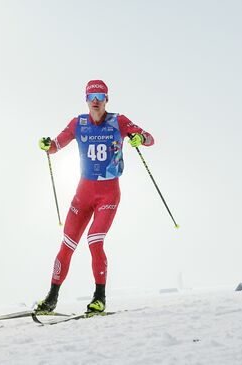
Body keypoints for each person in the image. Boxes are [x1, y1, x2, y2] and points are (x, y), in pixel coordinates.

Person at [36, 80, 154, 314]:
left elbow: (149, 138)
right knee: (67, 244)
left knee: (94, 240)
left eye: (100, 95)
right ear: (86, 100)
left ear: (107, 98)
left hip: (108, 193)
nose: (96, 100)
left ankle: (99, 298)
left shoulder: (118, 121)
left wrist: (140, 138)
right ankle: (51, 298)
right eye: (92, 96)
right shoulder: (78, 123)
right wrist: (46, 145)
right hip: (83, 194)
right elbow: (56, 145)